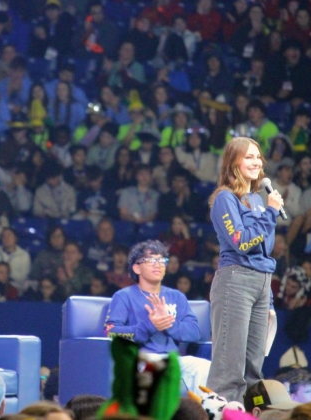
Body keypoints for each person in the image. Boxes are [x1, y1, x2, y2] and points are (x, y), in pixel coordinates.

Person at [206, 137, 282, 402]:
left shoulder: (258, 201)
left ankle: (250, 413)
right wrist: (271, 214)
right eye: (248, 156)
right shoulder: (225, 198)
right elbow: (241, 242)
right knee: (230, 367)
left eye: (258, 156)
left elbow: (264, 251)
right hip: (235, 280)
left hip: (262, 282)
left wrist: (268, 297)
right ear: (233, 162)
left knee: (253, 369)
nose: (256, 161)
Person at [105, 239, 210, 396]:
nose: (158, 264)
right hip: (141, 360)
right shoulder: (123, 296)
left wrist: (169, 324)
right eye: (150, 260)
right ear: (136, 268)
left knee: (204, 367)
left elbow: (194, 332)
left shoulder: (177, 296)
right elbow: (111, 332)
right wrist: (149, 325)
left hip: (173, 360)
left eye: (162, 260)